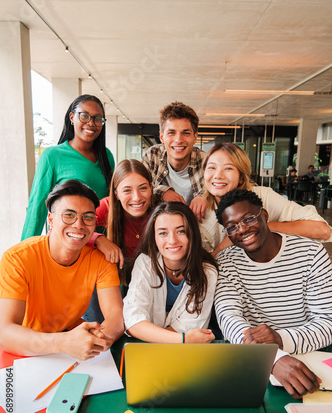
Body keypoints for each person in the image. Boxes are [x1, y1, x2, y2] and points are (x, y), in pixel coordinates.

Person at [214, 189, 332, 399]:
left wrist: (281, 339)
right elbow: (228, 319)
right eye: (231, 227)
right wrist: (273, 358)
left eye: (249, 218)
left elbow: (328, 321)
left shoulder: (311, 253)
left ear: (265, 215)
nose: (242, 229)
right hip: (254, 364)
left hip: (309, 358)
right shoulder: (226, 262)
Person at [0, 180, 124, 360]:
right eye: (69, 215)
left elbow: (116, 315)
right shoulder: (17, 258)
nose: (79, 225)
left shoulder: (101, 261)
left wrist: (100, 339)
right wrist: (63, 342)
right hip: (24, 347)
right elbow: (5, 333)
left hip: (70, 345)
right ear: (50, 219)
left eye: (87, 217)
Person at [200, 142, 331, 256]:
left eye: (228, 168)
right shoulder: (200, 210)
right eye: (211, 167)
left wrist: (264, 226)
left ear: (241, 177)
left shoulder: (262, 197)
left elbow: (323, 231)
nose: (218, 175)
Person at [21, 94, 115, 240]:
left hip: (100, 243)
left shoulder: (106, 156)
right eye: (84, 116)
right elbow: (37, 207)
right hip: (69, 239)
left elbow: (111, 202)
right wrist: (24, 249)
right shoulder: (52, 156)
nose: (91, 123)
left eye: (97, 119)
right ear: (72, 117)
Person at [123, 202, 218, 343]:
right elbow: (132, 321)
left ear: (192, 233)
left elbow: (191, 326)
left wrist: (148, 334)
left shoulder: (207, 272)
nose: (172, 240)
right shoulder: (145, 262)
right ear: (154, 238)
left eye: (181, 231)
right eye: (163, 233)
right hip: (171, 345)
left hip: (177, 352)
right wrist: (184, 339)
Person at [83, 160, 155, 322]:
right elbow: (68, 231)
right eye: (127, 190)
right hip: (115, 278)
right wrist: (98, 239)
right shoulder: (107, 207)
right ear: (116, 194)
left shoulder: (161, 210)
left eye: (143, 188)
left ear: (151, 187)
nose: (136, 197)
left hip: (150, 280)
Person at [142, 101, 207, 222]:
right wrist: (162, 192)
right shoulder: (153, 156)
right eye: (171, 133)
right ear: (162, 137)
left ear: (195, 137)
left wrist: (205, 196)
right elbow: (139, 189)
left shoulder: (205, 161)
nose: (178, 140)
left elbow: (227, 187)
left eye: (186, 133)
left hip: (197, 225)